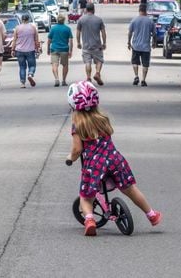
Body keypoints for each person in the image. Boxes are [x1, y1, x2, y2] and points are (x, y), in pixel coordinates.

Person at [65, 80, 162, 236]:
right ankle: (151, 214)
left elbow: (77, 149)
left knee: (86, 196)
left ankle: (89, 220)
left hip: (95, 164)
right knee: (130, 189)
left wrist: (70, 157)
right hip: (114, 159)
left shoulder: (78, 125)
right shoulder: (103, 119)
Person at [76, 3, 107, 85]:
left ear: (86, 9)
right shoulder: (99, 20)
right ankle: (97, 73)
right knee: (99, 60)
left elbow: (78, 32)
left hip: (86, 46)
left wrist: (78, 42)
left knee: (87, 62)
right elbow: (103, 32)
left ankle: (88, 77)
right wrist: (104, 43)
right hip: (97, 45)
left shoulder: (81, 19)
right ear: (93, 9)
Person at [127, 3, 157, 87]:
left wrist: (129, 42)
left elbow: (130, 32)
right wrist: (154, 42)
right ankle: (143, 80)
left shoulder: (134, 20)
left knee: (135, 62)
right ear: (146, 11)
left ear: (139, 10)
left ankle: (136, 76)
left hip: (136, 46)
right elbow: (154, 34)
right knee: (145, 64)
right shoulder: (150, 21)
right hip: (146, 47)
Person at [11, 14, 40, 88]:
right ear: (28, 19)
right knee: (32, 65)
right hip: (30, 50)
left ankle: (22, 83)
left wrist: (13, 49)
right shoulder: (33, 28)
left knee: (22, 67)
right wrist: (37, 48)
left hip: (19, 50)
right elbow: (36, 40)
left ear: (22, 20)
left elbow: (14, 40)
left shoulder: (17, 28)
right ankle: (30, 74)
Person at [47, 14, 73, 87]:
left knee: (54, 64)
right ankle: (64, 80)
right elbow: (70, 41)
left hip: (54, 48)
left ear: (57, 20)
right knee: (65, 65)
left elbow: (49, 40)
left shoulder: (53, 28)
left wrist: (48, 49)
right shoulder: (67, 29)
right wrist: (70, 51)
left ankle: (56, 79)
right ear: (64, 20)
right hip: (64, 49)